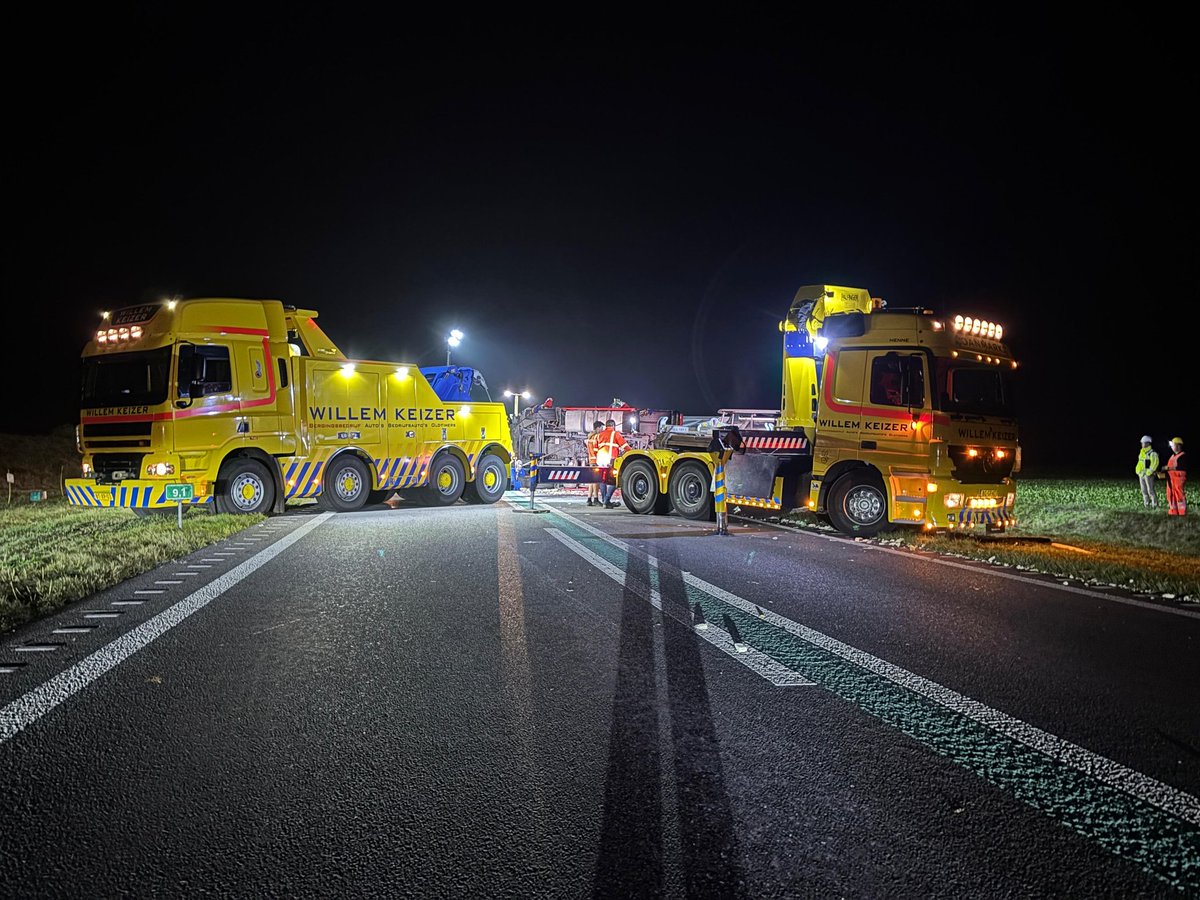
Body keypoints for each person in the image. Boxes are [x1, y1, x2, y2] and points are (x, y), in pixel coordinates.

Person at [595, 418, 629, 508]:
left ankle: (604, 501)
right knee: (614, 481)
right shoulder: (615, 433)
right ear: (613, 426)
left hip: (600, 459)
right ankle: (606, 500)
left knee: (602, 480)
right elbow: (625, 446)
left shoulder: (599, 435)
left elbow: (596, 447)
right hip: (610, 459)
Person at [1135, 435, 1160, 508]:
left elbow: (1155, 463)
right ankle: (1146, 505)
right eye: (1142, 443)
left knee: (1150, 490)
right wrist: (1138, 471)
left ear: (1148, 443)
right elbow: (1140, 463)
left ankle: (1155, 505)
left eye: (1144, 443)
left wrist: (1149, 472)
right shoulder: (1142, 452)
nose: (1142, 444)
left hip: (1149, 475)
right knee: (1144, 490)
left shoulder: (1152, 453)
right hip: (1142, 474)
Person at [1165, 437, 1187, 517]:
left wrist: (1168, 468)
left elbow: (1181, 467)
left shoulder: (1182, 456)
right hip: (1171, 480)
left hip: (1178, 479)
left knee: (1179, 496)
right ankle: (1173, 511)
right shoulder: (1172, 456)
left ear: (1178, 446)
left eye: (1173, 445)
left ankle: (1182, 512)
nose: (1171, 447)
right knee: (1170, 495)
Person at [585, 419, 604, 507]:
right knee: (596, 480)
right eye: (601, 428)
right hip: (596, 460)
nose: (602, 429)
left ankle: (589, 499)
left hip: (591, 460)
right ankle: (596, 499)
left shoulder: (590, 437)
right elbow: (597, 449)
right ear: (597, 428)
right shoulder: (596, 437)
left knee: (592, 480)